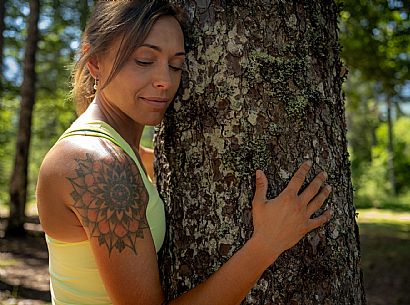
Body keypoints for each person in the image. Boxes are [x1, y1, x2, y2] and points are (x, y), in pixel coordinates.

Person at [36, 1, 333, 304]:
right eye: (144, 60)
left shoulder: (115, 152)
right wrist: (267, 244)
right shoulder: (97, 164)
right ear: (96, 60)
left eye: (176, 65)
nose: (165, 80)